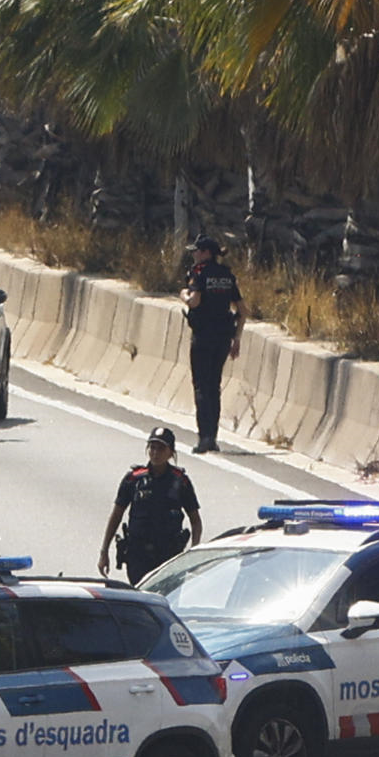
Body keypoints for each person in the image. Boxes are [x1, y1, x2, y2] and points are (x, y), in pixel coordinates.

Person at [98, 427, 203, 585]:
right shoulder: (133, 479)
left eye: (161, 448)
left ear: (171, 452)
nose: (155, 452)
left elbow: (195, 521)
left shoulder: (180, 482)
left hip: (169, 555)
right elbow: (116, 515)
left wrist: (193, 554)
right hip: (138, 555)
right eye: (152, 447)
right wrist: (104, 551)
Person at [180, 235, 248, 453]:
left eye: (197, 251)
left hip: (203, 336)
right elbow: (242, 310)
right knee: (214, 386)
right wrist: (236, 338)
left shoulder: (199, 274)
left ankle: (204, 437)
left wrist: (184, 295)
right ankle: (214, 436)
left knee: (201, 386)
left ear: (207, 253)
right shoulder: (227, 275)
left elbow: (195, 301)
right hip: (223, 337)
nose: (193, 255)